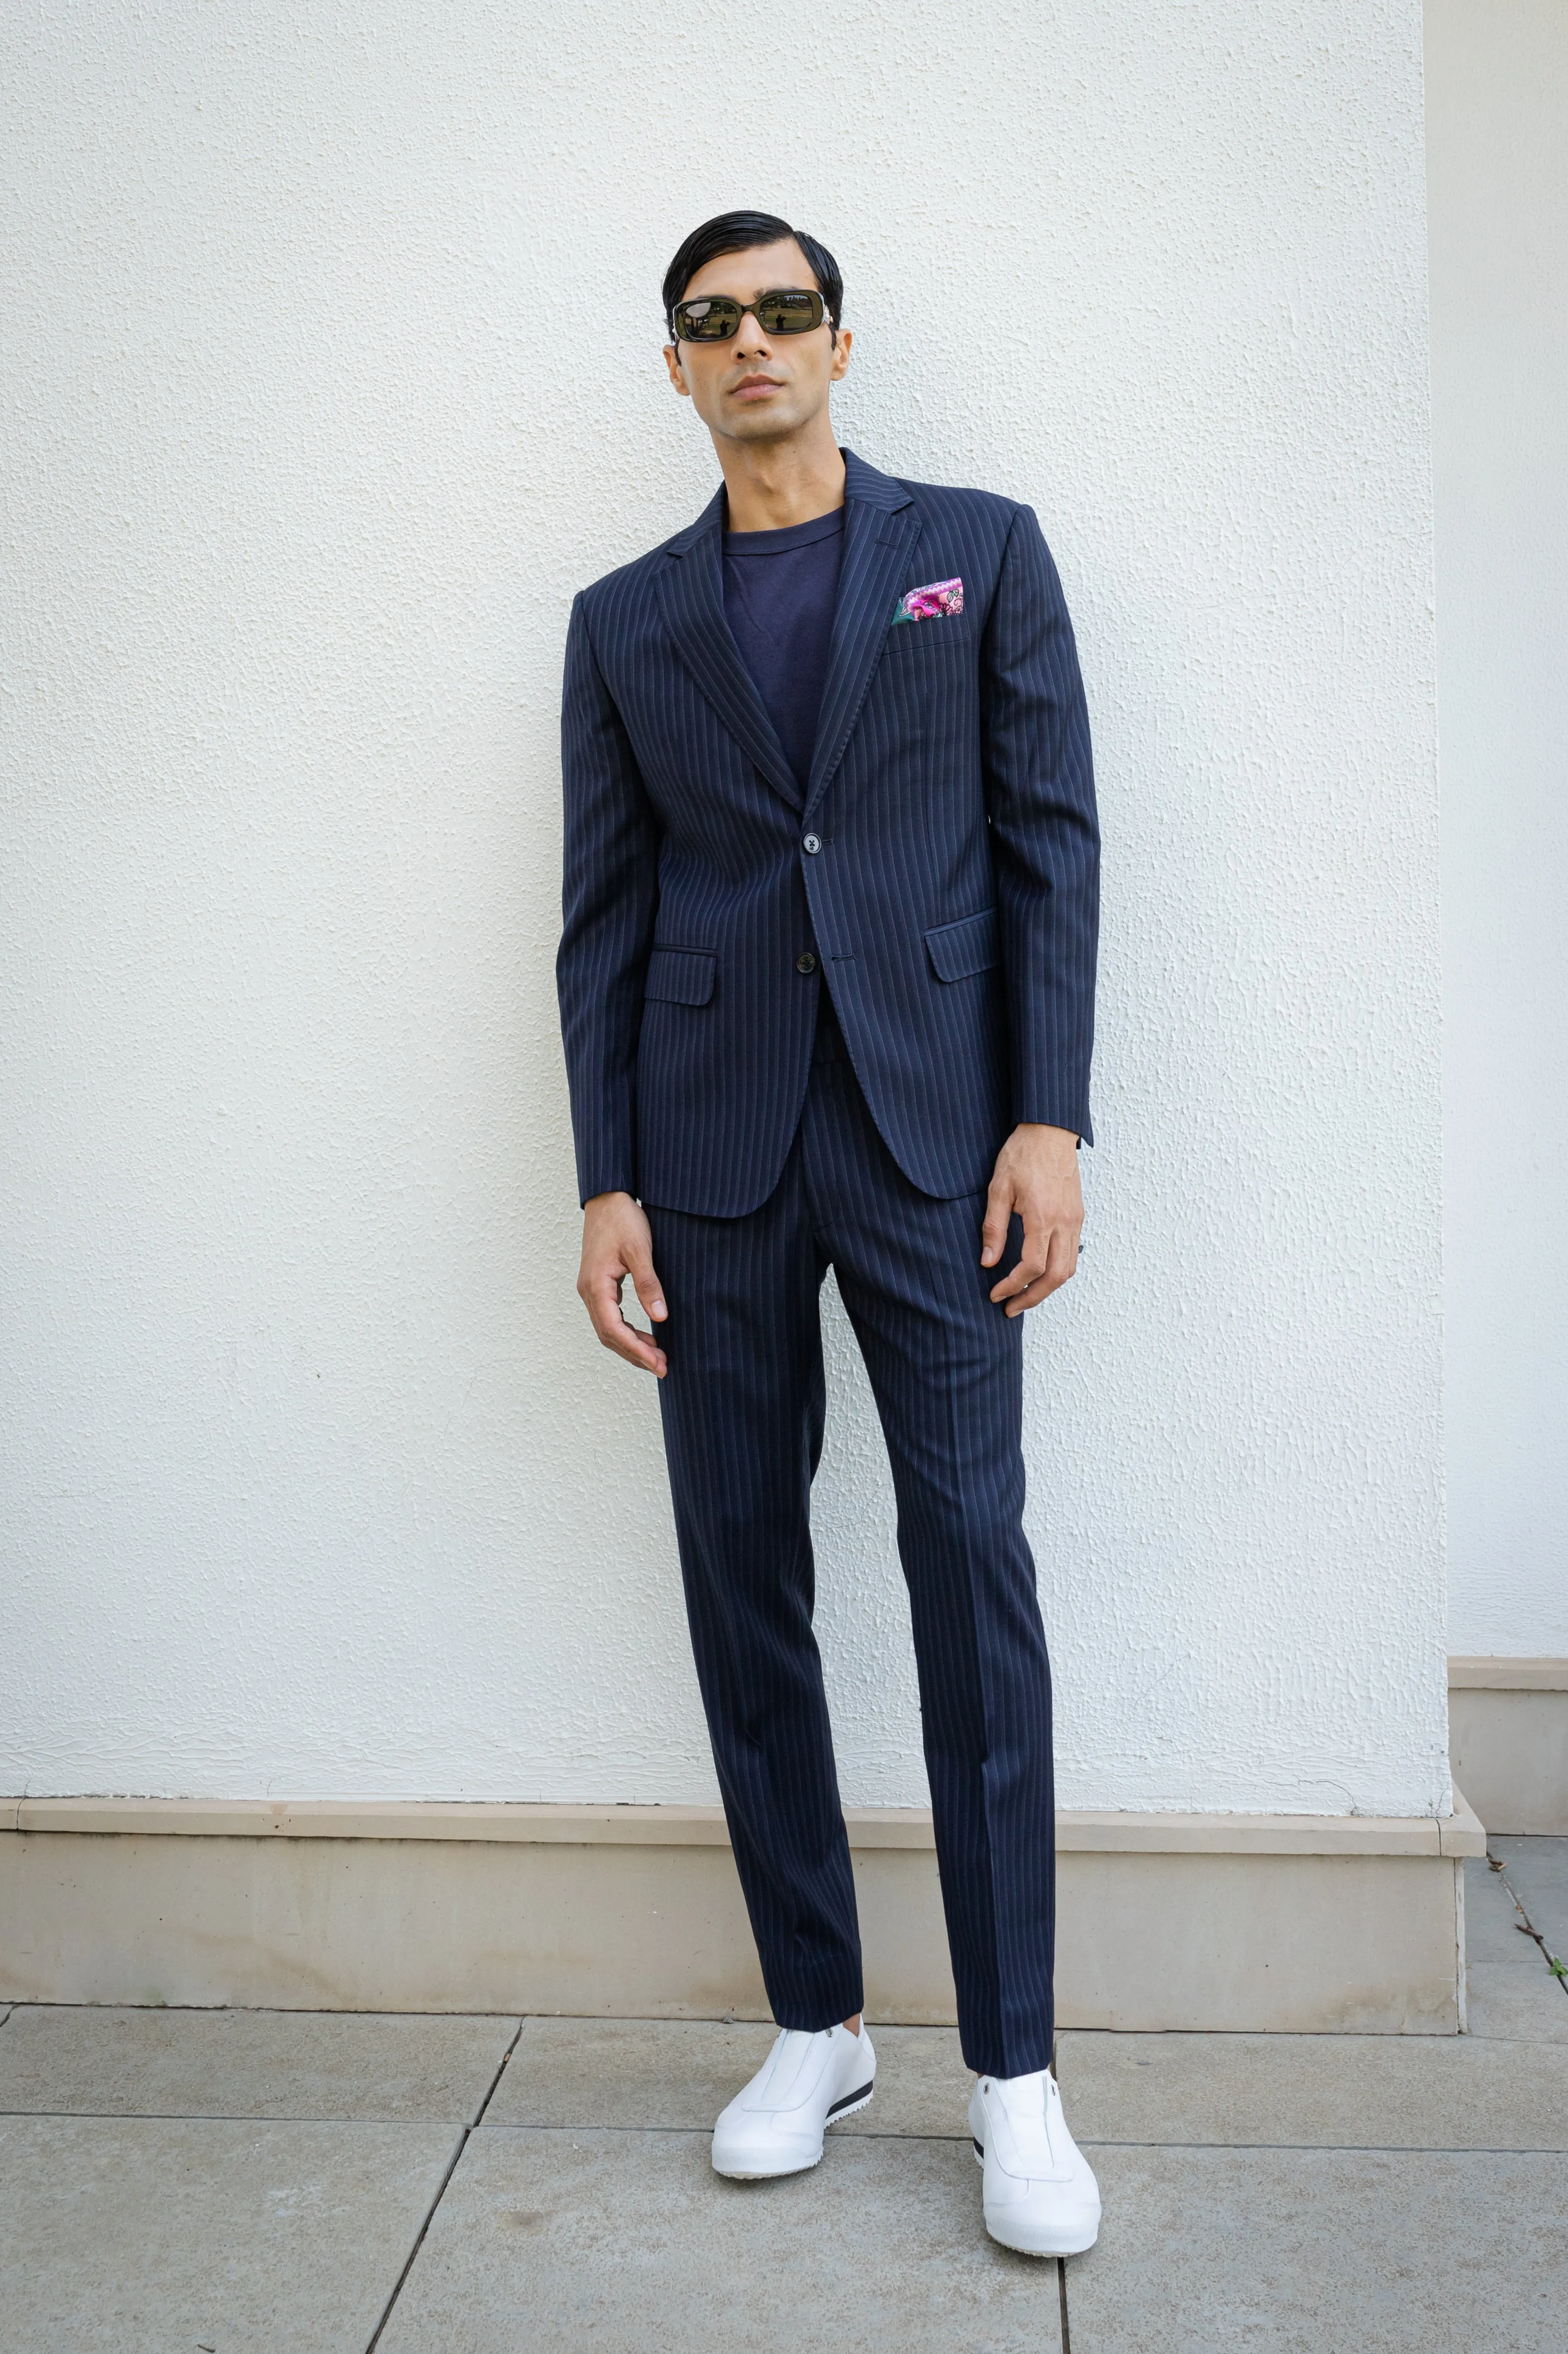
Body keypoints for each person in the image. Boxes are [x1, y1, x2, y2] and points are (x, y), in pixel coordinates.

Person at [556, 210, 1101, 2258]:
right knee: (739, 1576)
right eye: (710, 321)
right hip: (702, 1159)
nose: (751, 342)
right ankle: (815, 2019)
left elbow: (1048, 838)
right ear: (677, 370)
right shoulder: (622, 617)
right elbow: (602, 917)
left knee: (968, 1562)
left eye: (784, 310)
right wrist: (602, 1174)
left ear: (838, 343)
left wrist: (1046, 1115)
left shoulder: (977, 547)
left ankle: (1013, 2073)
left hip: (931, 1140)